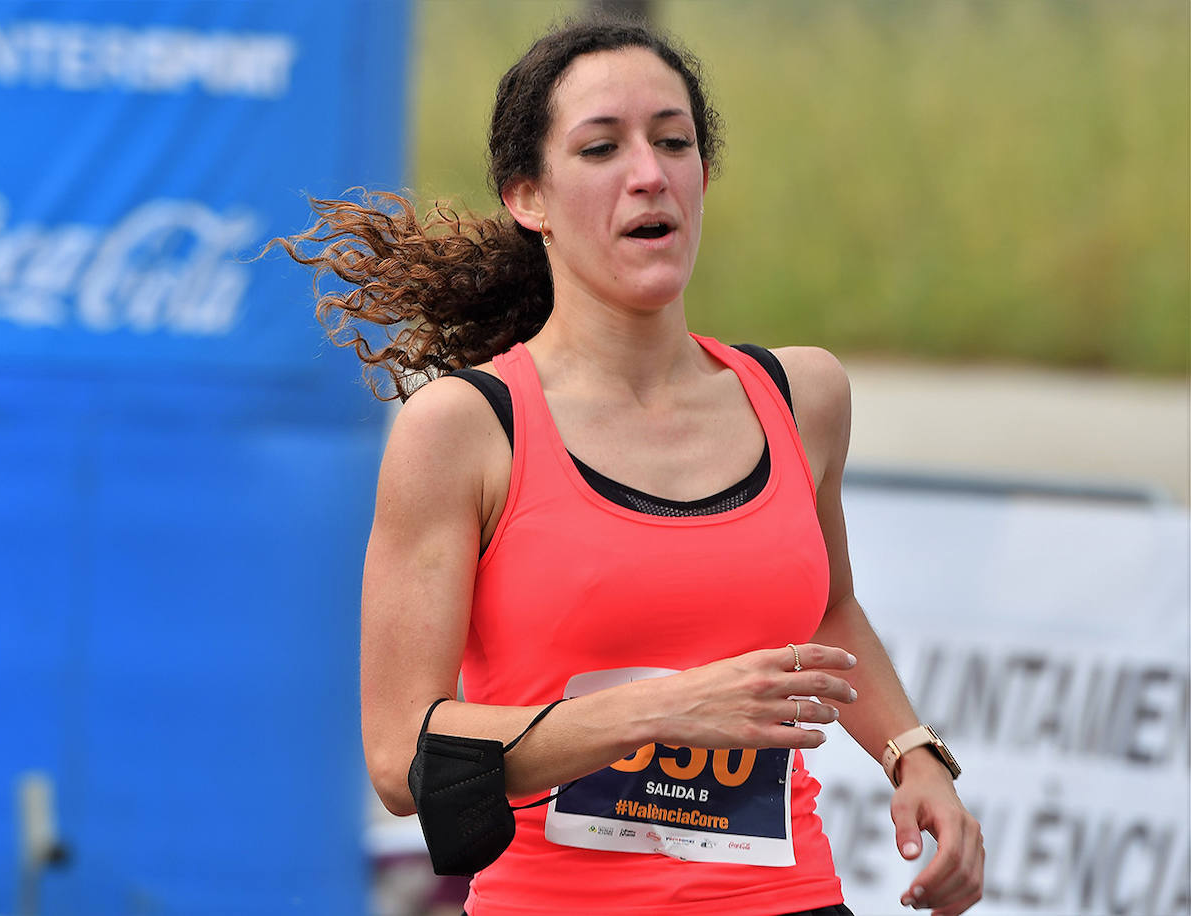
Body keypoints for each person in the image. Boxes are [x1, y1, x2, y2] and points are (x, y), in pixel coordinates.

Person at [272, 18, 983, 916]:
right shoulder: (465, 428)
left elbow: (830, 607)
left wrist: (912, 754)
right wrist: (661, 712)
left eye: (674, 142)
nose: (649, 172)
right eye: (602, 148)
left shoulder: (802, 396)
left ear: (702, 176)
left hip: (791, 900)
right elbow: (399, 755)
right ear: (529, 197)